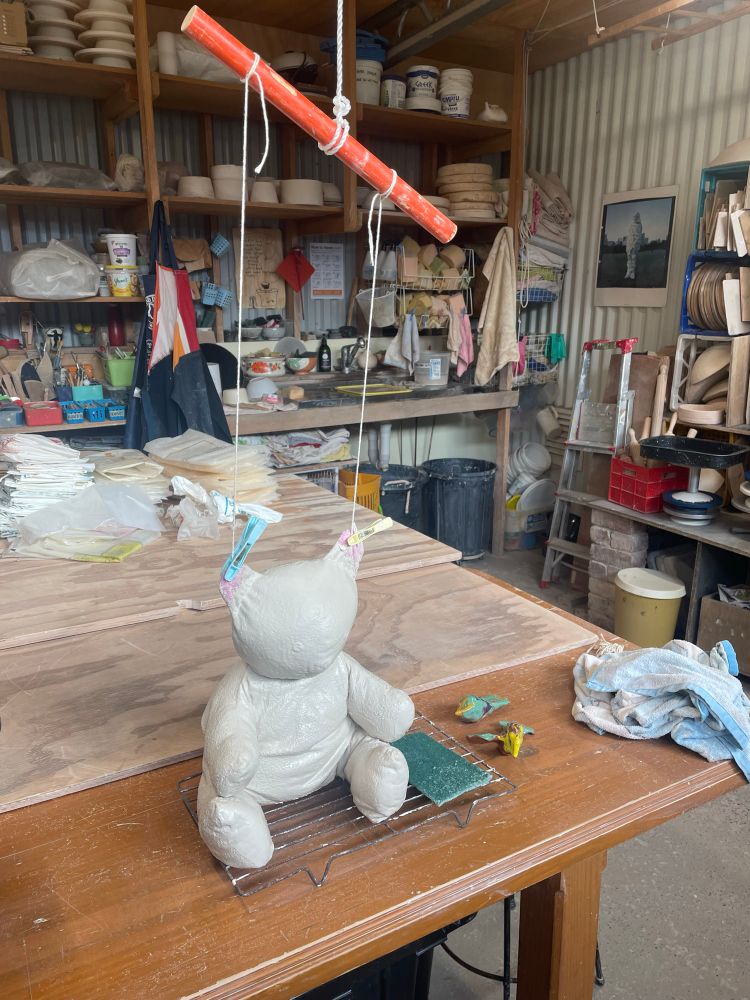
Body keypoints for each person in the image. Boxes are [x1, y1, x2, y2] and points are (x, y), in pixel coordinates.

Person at [625, 211, 647, 280]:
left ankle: (632, 272)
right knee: (629, 257)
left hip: (635, 243)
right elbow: (629, 234)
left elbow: (639, 235)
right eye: (634, 217)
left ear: (638, 217)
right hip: (629, 243)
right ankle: (628, 271)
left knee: (633, 257)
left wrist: (634, 244)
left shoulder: (639, 225)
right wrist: (629, 243)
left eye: (636, 217)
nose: (634, 218)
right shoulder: (631, 224)